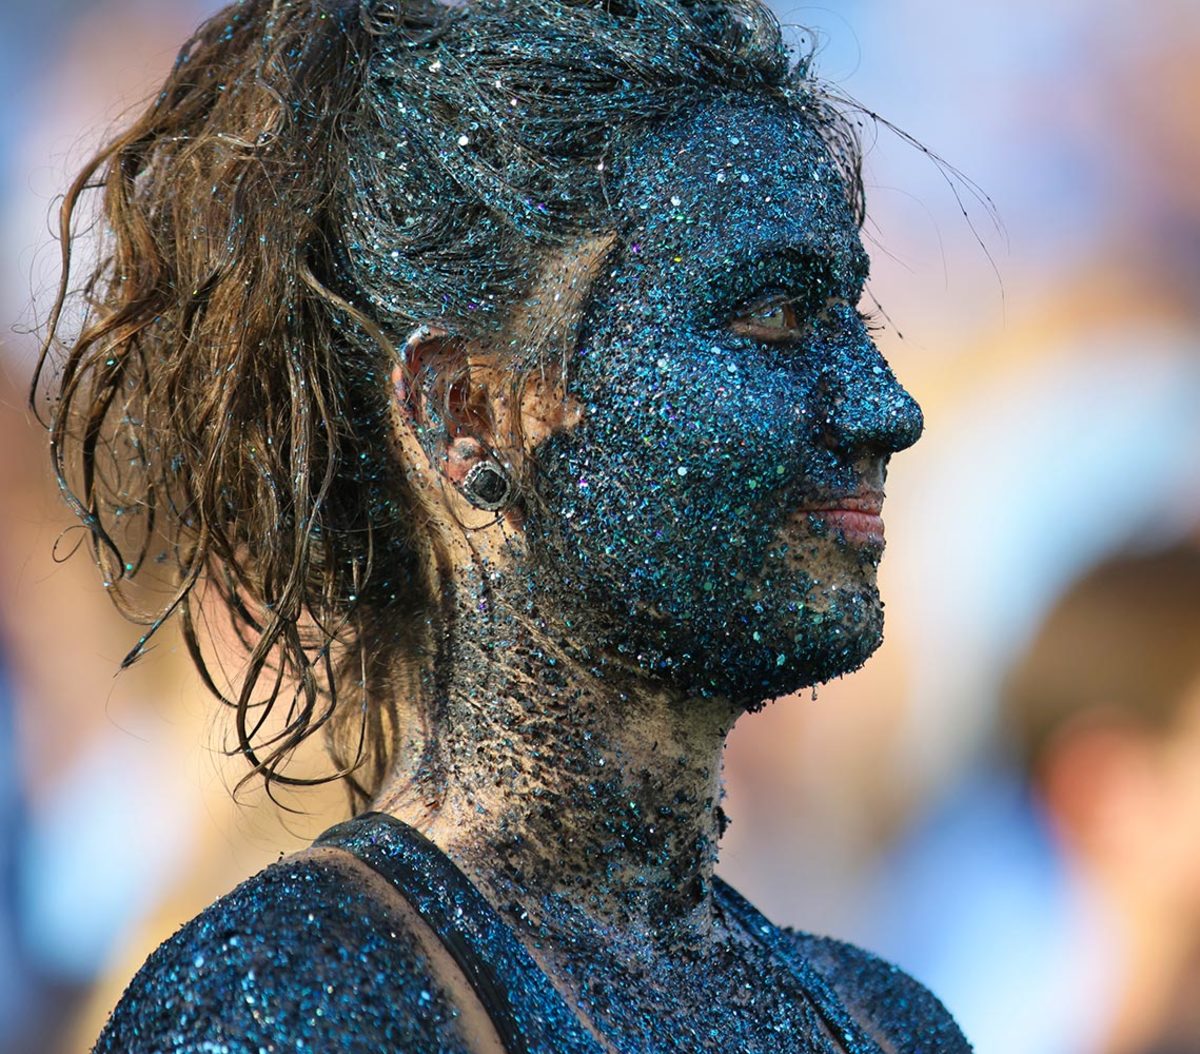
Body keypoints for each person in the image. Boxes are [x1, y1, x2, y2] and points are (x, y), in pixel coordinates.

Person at [32, 0, 970, 1049]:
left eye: (852, 316)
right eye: (772, 314)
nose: (886, 406)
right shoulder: (304, 1000)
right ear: (468, 412)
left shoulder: (888, 1020)